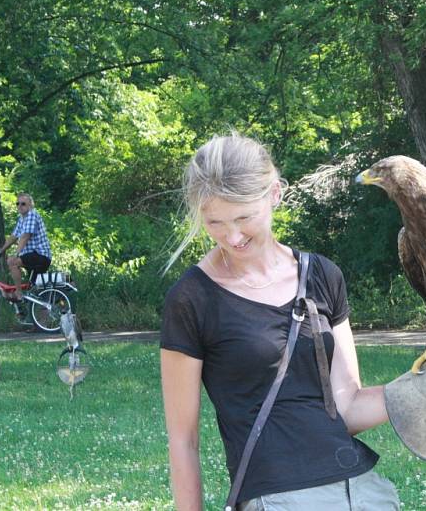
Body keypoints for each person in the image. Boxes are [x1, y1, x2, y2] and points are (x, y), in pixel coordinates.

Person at [160, 133, 400, 510]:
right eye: (215, 222)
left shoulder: (323, 275)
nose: (232, 236)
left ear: (274, 194)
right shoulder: (192, 299)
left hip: (362, 492)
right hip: (275, 498)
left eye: (243, 217)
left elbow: (347, 408)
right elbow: (183, 440)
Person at [0, 193, 52, 300]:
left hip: (40, 255)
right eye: (17, 204)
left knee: (12, 262)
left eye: (23, 204)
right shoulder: (22, 219)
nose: (19, 206)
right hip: (32, 256)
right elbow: (13, 237)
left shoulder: (32, 215)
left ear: (30, 205)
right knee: (36, 290)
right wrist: (1, 251)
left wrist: (16, 254)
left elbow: (25, 236)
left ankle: (18, 293)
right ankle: (29, 311)